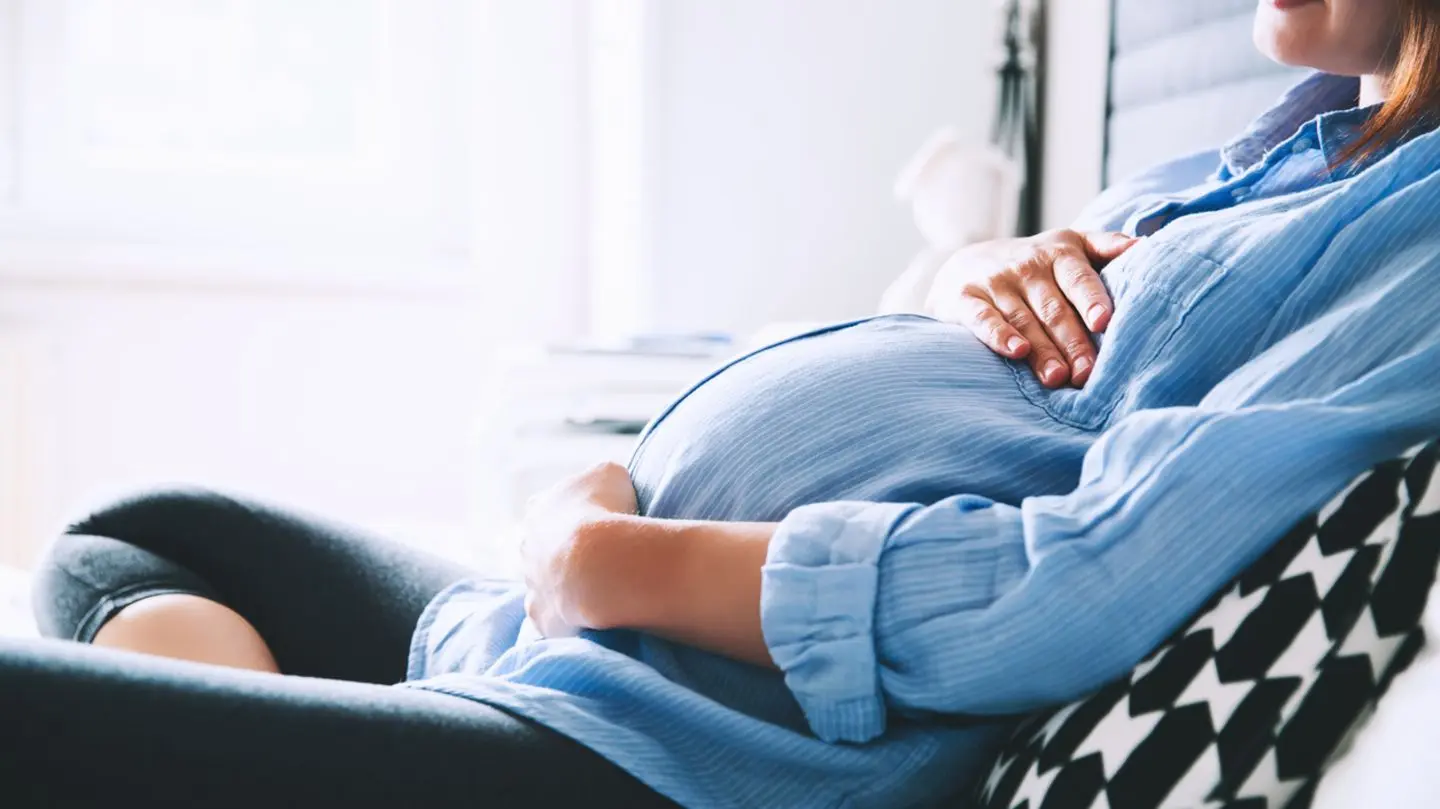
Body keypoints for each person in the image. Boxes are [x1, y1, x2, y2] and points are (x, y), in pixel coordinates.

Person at [6, 1, 1440, 806]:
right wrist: (972, 275)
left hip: (696, 759)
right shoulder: (1303, 143)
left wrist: (620, 561)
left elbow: (1080, 579)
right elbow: (1019, 387)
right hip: (581, 656)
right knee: (137, 540)